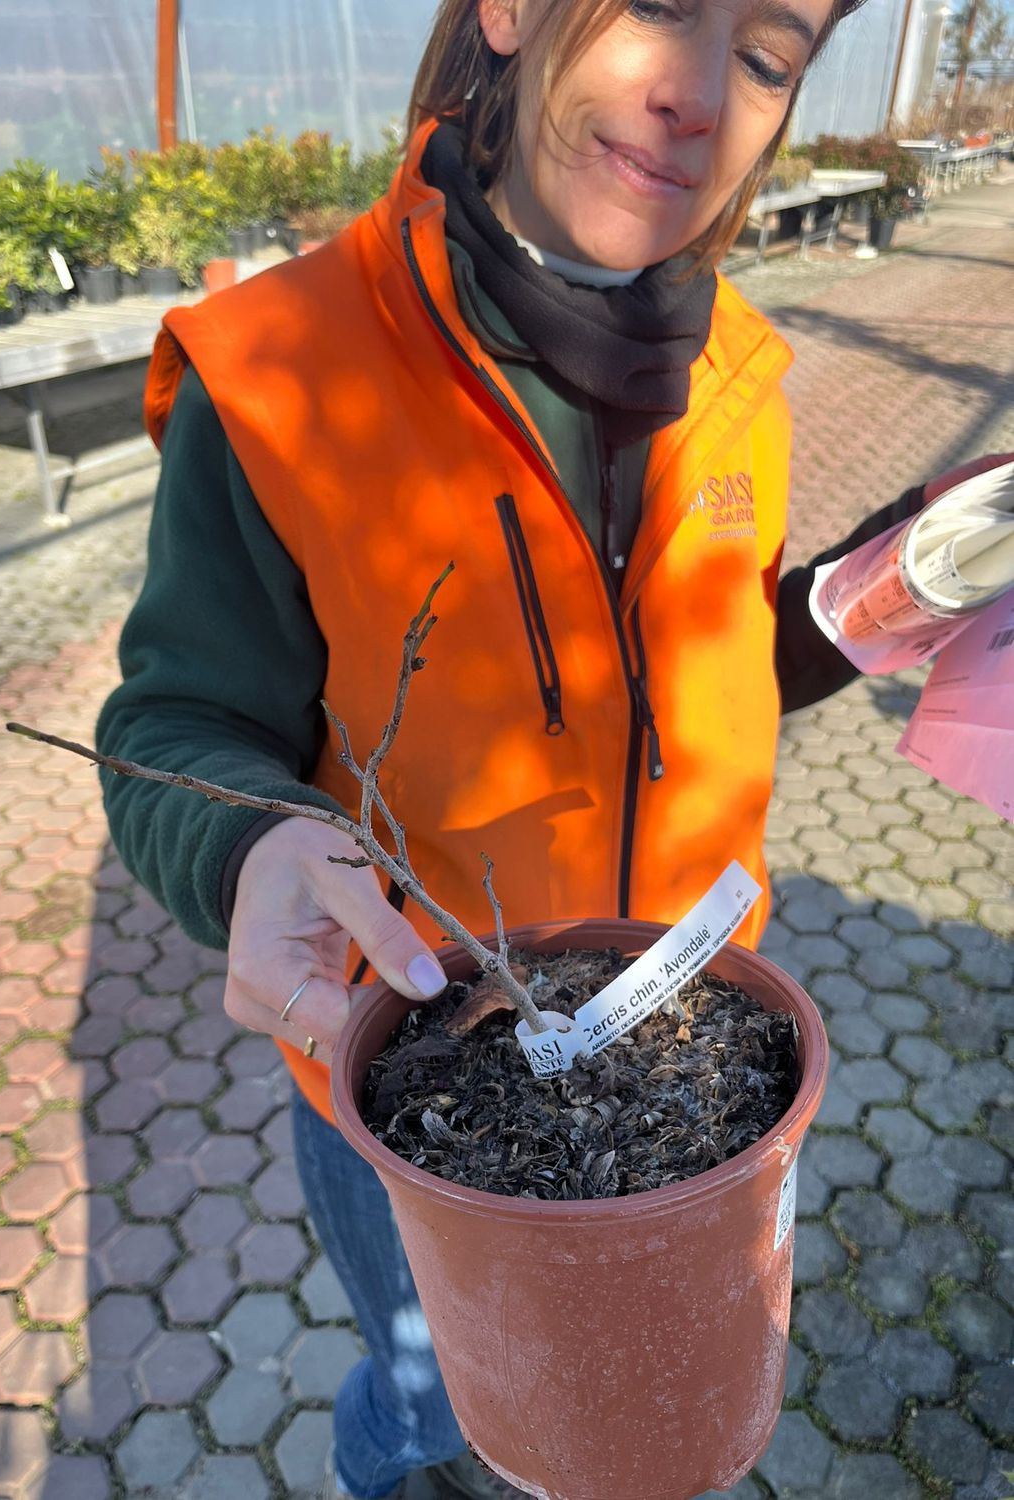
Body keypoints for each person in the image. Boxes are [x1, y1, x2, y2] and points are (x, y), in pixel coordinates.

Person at [98, 3, 1009, 1496]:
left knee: (620, 1408)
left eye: (771, 56)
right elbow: (176, 717)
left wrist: (884, 584)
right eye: (663, 7)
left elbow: (710, 668)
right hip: (415, 1063)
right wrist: (250, 838)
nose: (702, 97)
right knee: (433, 1395)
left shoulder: (735, 374)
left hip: (679, 1043)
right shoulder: (275, 376)